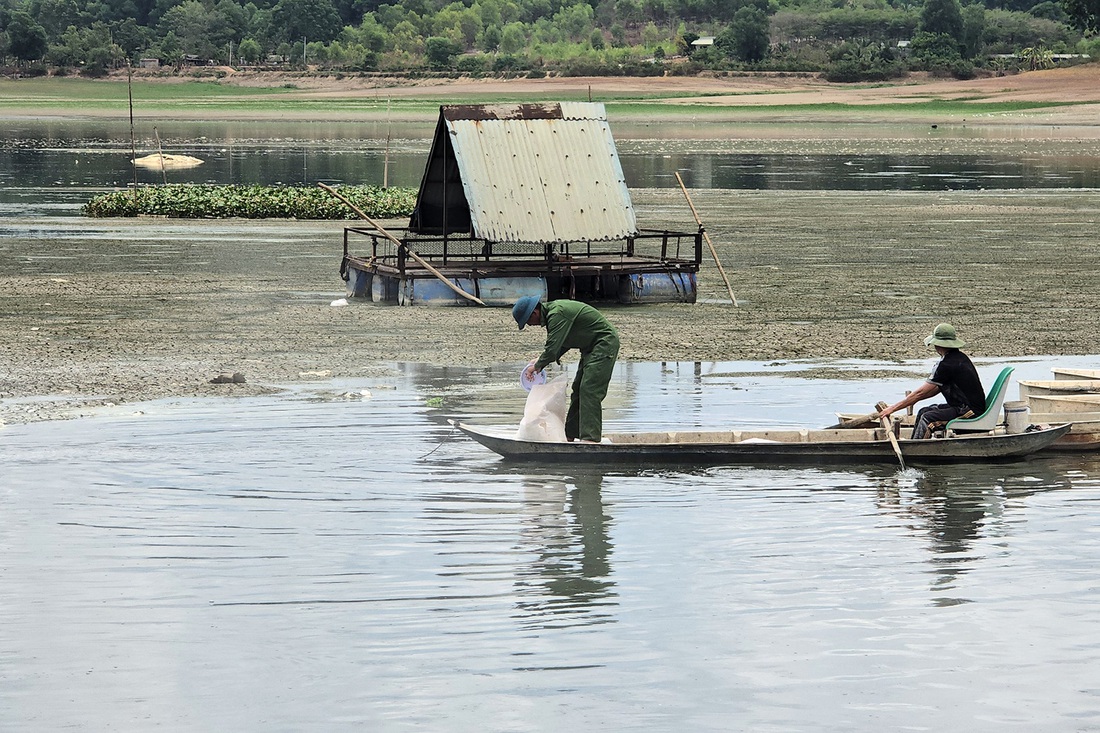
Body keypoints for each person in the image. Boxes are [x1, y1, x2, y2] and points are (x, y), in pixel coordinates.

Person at [512, 295, 620, 443]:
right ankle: (571, 435)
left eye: (528, 322)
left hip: (603, 343)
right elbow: (560, 345)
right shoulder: (554, 315)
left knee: (589, 389)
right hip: (590, 348)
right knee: (578, 390)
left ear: (534, 313)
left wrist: (536, 367)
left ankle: (590, 439)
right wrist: (539, 362)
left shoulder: (557, 314)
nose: (530, 325)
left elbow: (552, 350)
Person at [879, 323, 987, 439]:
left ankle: (915, 450)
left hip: (969, 410)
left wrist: (892, 409)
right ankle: (914, 442)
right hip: (960, 406)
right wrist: (912, 401)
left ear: (937, 345)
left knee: (928, 418)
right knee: (923, 412)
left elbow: (921, 393)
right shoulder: (957, 357)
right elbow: (934, 389)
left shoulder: (948, 364)